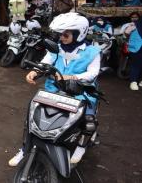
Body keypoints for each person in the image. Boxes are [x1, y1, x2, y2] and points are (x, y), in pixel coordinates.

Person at [8, 12, 101, 166]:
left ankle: (81, 146)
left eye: (65, 35)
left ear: (79, 34)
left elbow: (92, 73)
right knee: (32, 114)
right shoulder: (56, 48)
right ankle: (25, 149)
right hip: (54, 89)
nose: (61, 38)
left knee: (89, 120)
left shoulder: (92, 52)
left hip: (81, 92)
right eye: (60, 34)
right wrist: (35, 72)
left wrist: (70, 78)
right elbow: (46, 62)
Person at [124, 12, 142, 91]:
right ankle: (133, 81)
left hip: (136, 47)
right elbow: (126, 33)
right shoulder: (133, 25)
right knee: (135, 64)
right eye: (133, 17)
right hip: (136, 47)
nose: (134, 18)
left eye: (136, 17)